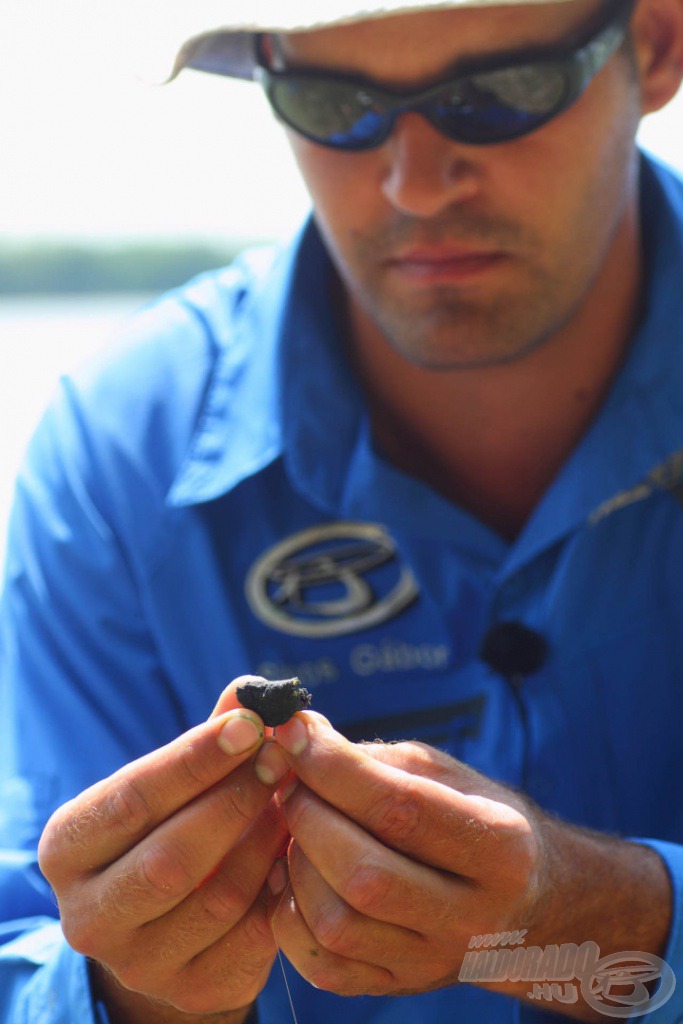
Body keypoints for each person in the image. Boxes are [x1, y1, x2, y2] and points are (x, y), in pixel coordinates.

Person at [1, 0, 683, 1020]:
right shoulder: (120, 453)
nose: (412, 182)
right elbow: (27, 946)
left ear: (655, 46)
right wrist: (133, 989)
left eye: (493, 94)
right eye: (334, 103)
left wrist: (607, 922)